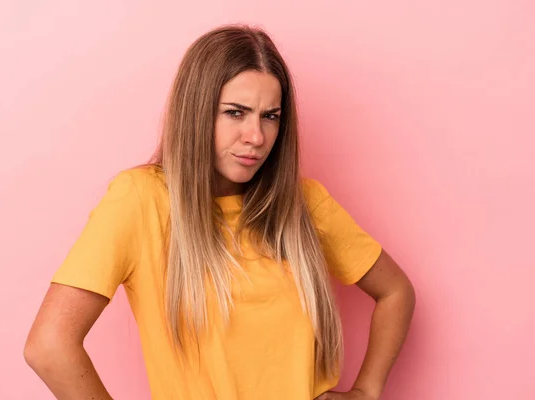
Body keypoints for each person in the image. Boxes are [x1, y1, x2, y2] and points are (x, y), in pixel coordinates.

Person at [24, 24, 415, 400]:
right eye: (235, 112)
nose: (256, 137)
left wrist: (368, 390)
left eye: (270, 116)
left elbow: (396, 291)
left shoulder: (303, 206)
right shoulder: (141, 200)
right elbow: (49, 346)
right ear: (197, 111)